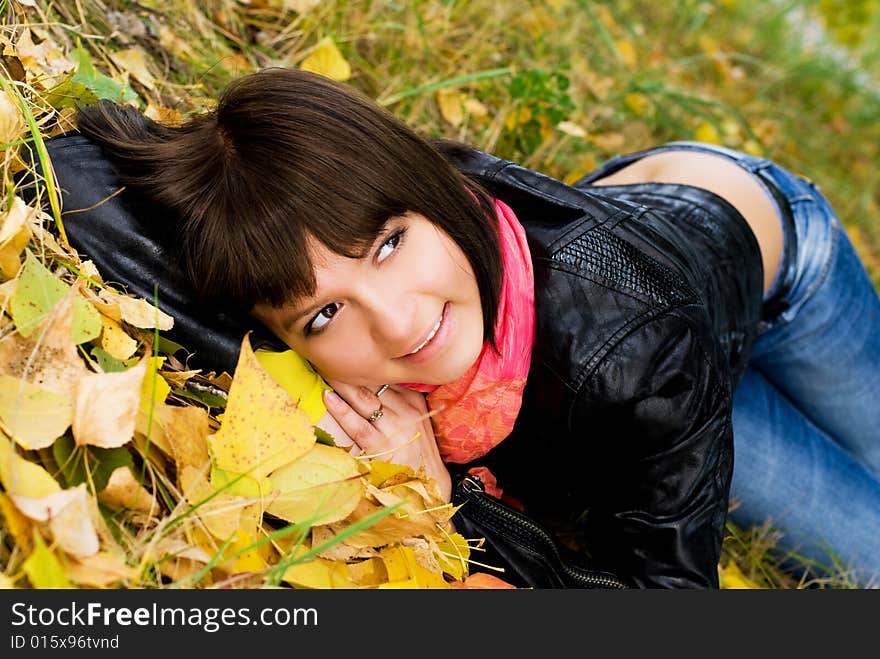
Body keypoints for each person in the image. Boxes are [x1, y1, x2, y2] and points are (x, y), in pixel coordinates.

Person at [29, 66, 880, 588]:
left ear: (428, 185)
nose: (399, 324)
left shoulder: (630, 358)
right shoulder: (358, 283)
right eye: (325, 312)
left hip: (772, 253)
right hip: (676, 319)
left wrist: (453, 500)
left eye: (391, 243)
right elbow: (65, 173)